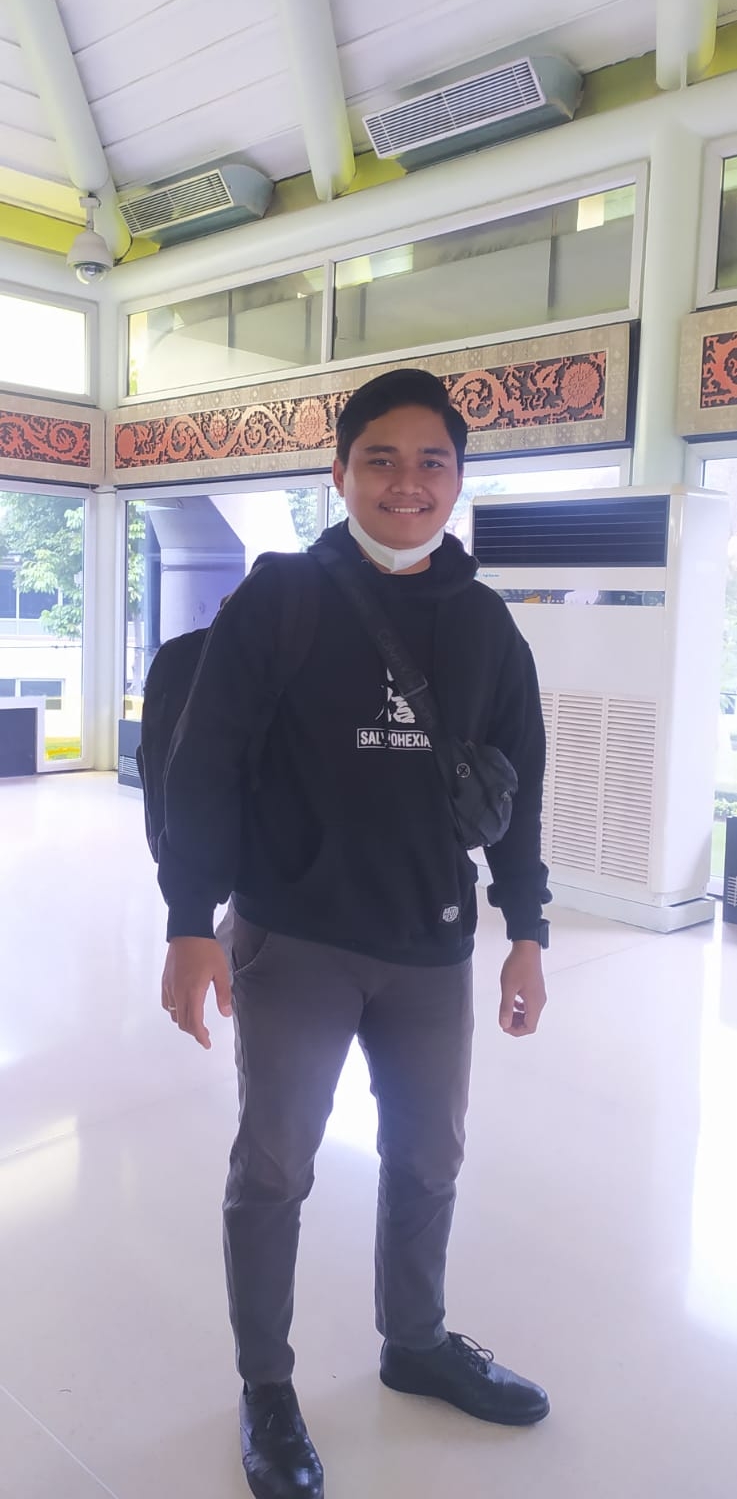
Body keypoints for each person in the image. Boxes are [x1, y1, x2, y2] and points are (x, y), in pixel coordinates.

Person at [158, 368, 551, 1499]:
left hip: (430, 946)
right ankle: (266, 1385)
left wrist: (526, 931)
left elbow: (517, 788)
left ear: (457, 481)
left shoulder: (484, 623)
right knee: (275, 1166)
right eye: (379, 458)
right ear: (338, 473)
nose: (405, 483)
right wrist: (189, 922)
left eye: (431, 462)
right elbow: (202, 762)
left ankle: (413, 1341)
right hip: (295, 939)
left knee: (428, 1157)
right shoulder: (282, 598)